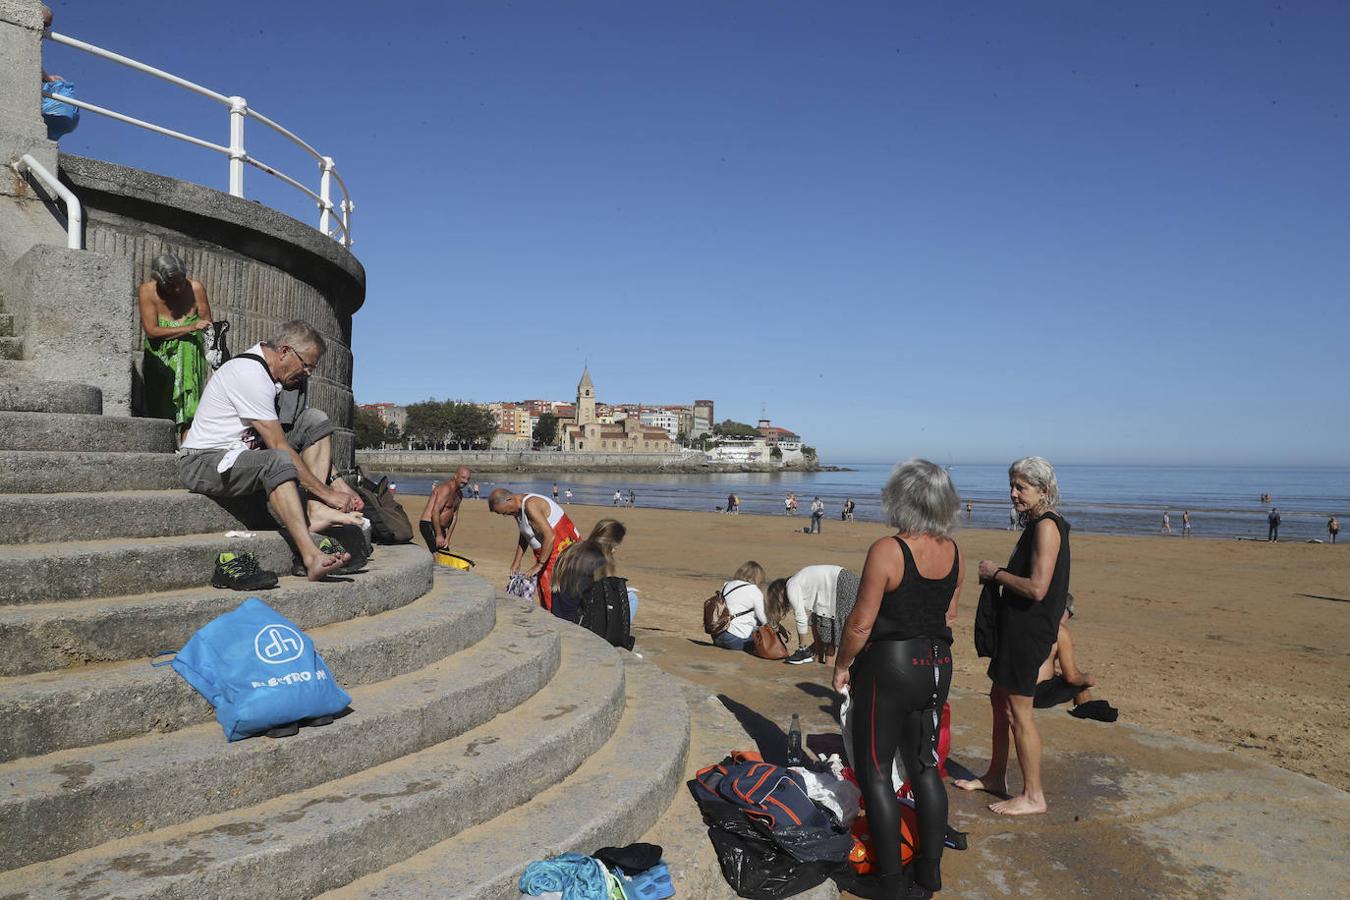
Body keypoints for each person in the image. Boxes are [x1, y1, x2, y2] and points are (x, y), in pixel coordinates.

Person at [833, 459, 963, 897]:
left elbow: (859, 624)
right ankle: (929, 871)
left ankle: (891, 883)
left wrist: (841, 665)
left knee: (875, 771)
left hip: (891, 665)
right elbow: (949, 615)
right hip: (937, 664)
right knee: (926, 767)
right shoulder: (952, 551)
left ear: (900, 499)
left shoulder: (889, 549)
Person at [177, 320, 360, 580]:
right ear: (285, 351)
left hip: (240, 457)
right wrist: (329, 494)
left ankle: (312, 509)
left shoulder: (269, 377)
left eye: (312, 368)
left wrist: (334, 479)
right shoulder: (249, 373)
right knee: (277, 458)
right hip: (203, 462)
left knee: (314, 421)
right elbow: (278, 446)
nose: (308, 373)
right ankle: (310, 555)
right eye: (306, 365)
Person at [955, 456, 1070, 817]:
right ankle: (994, 776)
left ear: (1043, 490)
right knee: (998, 699)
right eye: (1012, 486)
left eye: (1021, 487)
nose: (1013, 494)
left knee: (1020, 712)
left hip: (1029, 632)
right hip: (1016, 628)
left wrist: (997, 573)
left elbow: (1038, 588)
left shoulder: (1047, 527)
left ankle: (1033, 795)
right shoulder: (1036, 523)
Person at [139, 253, 213, 444]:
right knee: (160, 409)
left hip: (190, 356)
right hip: (161, 358)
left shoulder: (195, 288)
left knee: (189, 409)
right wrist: (188, 327)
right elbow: (151, 331)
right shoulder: (147, 291)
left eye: (181, 282)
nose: (178, 288)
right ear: (159, 280)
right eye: (171, 284)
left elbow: (208, 324)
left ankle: (188, 451)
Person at [489, 488, 580, 611]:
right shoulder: (517, 510)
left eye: (504, 512)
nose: (506, 515)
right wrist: (517, 560)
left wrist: (539, 565)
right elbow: (525, 533)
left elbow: (550, 536)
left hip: (560, 551)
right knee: (545, 594)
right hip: (546, 553)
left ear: (509, 499)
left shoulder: (531, 505)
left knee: (556, 596)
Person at [551, 518, 637, 623]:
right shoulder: (599, 559)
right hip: (578, 617)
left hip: (559, 610)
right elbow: (602, 595)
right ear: (612, 543)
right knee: (632, 598)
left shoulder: (572, 549)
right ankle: (617, 633)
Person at [782, 564, 844, 665]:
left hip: (838, 585)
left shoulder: (793, 584)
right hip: (835, 583)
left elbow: (801, 617)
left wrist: (802, 648)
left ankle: (826, 666)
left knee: (828, 634)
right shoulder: (804, 581)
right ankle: (817, 658)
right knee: (815, 620)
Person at [712, 561, 769, 651]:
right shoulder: (754, 590)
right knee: (760, 629)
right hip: (734, 641)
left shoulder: (727, 585)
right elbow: (764, 620)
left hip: (717, 636)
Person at [418, 466, 471, 552]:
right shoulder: (445, 489)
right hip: (429, 524)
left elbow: (454, 517)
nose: (466, 481)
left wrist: (447, 538)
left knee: (445, 552)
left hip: (440, 528)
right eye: (463, 477)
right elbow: (435, 512)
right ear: (455, 476)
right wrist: (439, 535)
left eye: (468, 479)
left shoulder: (459, 495)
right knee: (437, 554)